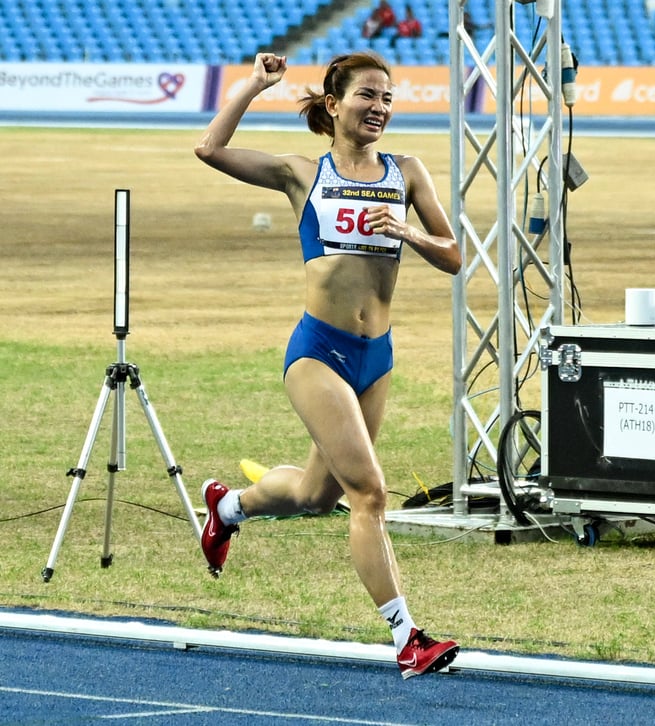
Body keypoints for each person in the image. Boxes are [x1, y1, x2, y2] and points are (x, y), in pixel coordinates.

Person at [193, 51, 462, 680]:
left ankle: (226, 509)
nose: (379, 107)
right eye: (368, 95)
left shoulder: (407, 172)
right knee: (369, 493)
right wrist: (253, 86)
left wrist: (408, 233)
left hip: (377, 356)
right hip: (318, 352)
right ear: (335, 105)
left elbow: (453, 256)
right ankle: (408, 637)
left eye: (388, 97)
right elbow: (210, 149)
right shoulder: (301, 173)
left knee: (318, 496)